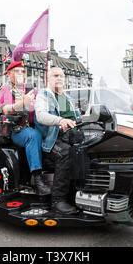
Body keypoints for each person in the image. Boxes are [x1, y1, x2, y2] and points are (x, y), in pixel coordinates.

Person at [0, 61, 50, 195]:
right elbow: (6, 110)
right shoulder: (6, 89)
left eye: (23, 71)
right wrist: (22, 103)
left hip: (36, 125)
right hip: (17, 130)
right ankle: (37, 179)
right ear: (9, 74)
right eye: (17, 71)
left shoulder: (31, 89)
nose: (21, 74)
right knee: (33, 136)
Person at [35, 67, 81, 214]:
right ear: (48, 78)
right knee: (66, 153)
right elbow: (41, 116)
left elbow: (77, 117)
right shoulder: (44, 95)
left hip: (71, 137)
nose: (59, 78)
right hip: (52, 141)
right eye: (55, 75)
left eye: (62, 75)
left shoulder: (67, 97)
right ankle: (58, 201)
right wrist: (60, 120)